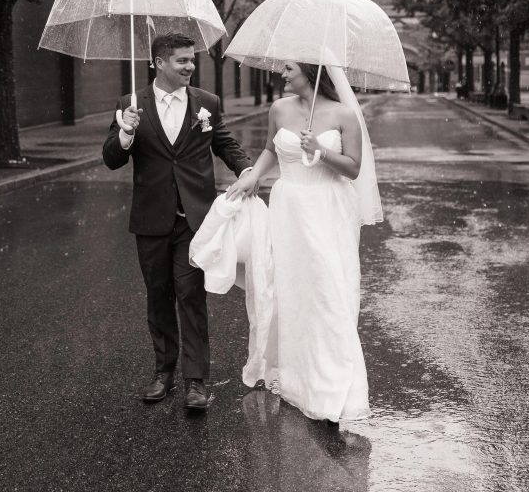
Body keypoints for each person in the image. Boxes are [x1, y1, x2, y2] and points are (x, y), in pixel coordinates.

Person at [103, 32, 253, 411]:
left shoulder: (206, 103)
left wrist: (247, 169)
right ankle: (163, 374)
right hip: (151, 218)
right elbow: (111, 159)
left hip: (194, 219)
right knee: (159, 297)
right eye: (182, 61)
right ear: (159, 62)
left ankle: (196, 381)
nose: (190, 66)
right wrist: (126, 133)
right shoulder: (130, 103)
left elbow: (224, 143)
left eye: (191, 60)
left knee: (190, 295)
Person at [226, 60, 382, 423]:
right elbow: (269, 150)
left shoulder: (343, 114)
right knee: (291, 291)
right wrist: (254, 176)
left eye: (288, 68)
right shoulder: (279, 108)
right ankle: (297, 379)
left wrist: (322, 150)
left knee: (327, 291)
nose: (281, 74)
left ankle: (333, 385)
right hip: (288, 206)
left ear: (310, 72)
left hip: (327, 208)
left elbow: (354, 168)